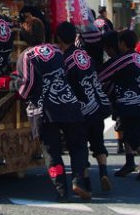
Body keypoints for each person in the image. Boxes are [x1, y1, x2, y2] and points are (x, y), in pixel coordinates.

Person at [16, 41, 90, 200]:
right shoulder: (56, 50)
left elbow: (27, 86)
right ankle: (78, 181)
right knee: (78, 146)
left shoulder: (26, 55)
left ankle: (61, 190)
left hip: (44, 109)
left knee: (51, 152)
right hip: (68, 103)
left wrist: (13, 83)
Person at [54, 22, 113, 193]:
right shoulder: (85, 56)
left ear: (59, 38)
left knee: (79, 146)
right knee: (98, 143)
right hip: (97, 105)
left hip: (82, 109)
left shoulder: (65, 61)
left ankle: (85, 181)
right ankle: (103, 173)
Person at [99, 29, 140, 181]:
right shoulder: (138, 57)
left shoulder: (124, 59)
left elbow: (101, 76)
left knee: (129, 131)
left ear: (121, 43)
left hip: (136, 102)